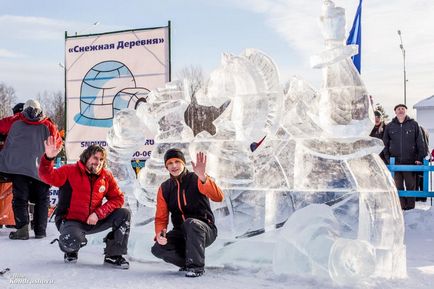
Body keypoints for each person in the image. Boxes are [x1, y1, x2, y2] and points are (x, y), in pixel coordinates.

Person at [38, 136, 130, 269]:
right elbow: (47, 176)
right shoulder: (69, 171)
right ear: (86, 157)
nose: (98, 162)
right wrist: (48, 158)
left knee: (124, 214)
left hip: (93, 220)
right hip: (70, 221)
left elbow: (118, 198)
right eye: (95, 158)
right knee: (71, 241)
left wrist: (99, 214)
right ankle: (71, 250)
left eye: (101, 159)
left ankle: (113, 255)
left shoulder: (106, 176)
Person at [151, 148, 224, 277]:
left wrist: (203, 177)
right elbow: (161, 217)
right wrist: (160, 233)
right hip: (182, 232)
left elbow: (218, 197)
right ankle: (188, 262)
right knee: (158, 249)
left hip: (204, 230)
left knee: (191, 223)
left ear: (183, 163)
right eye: (170, 163)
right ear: (166, 167)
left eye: (177, 161)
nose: (174, 166)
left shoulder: (196, 178)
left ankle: (196, 267)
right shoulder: (165, 188)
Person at [0, 99, 60, 239]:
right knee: (42, 199)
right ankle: (40, 231)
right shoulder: (49, 125)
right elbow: (57, 143)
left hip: (17, 167)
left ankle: (22, 230)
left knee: (20, 198)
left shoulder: (15, 120)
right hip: (41, 168)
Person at [383, 104, 425, 210]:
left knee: (411, 185)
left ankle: (410, 208)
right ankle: (401, 207)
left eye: (403, 109)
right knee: (398, 186)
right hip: (395, 163)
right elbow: (385, 144)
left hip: (410, 162)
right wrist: (388, 159)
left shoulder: (414, 124)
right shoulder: (390, 126)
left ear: (406, 111)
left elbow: (420, 142)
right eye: (398, 109)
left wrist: (419, 158)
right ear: (395, 112)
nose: (401, 110)